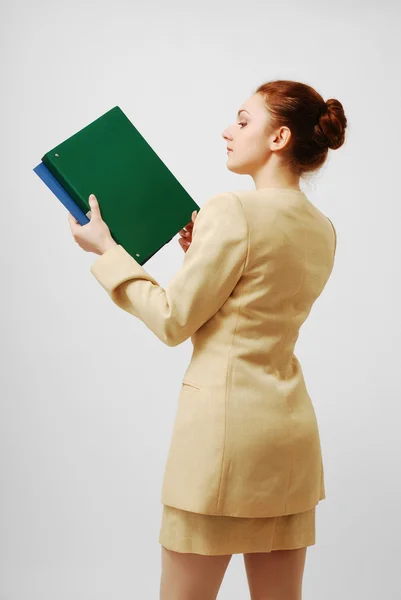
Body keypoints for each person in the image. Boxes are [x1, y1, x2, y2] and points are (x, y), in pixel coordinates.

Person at [68, 79, 347, 600]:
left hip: (220, 442)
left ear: (279, 137)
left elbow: (173, 321)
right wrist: (202, 256)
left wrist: (106, 250)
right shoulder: (322, 227)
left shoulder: (233, 210)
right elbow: (254, 306)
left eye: (243, 121)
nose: (227, 130)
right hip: (288, 441)